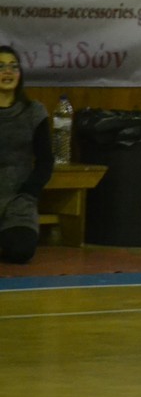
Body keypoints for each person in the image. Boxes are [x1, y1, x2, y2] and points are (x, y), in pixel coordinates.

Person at [0, 46, 54, 264]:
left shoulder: (34, 111)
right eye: (1, 66)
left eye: (13, 66)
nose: (8, 72)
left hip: (19, 200)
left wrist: (29, 193)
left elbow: (45, 161)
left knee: (21, 251)